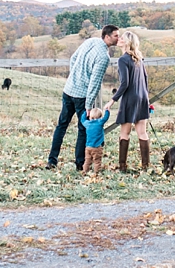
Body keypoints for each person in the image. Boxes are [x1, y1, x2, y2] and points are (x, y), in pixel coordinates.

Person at [46, 24, 120, 170]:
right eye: (116, 36)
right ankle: (80, 163)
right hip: (81, 97)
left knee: (61, 126)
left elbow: (73, 59)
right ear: (107, 36)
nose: (119, 38)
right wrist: (88, 105)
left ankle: (52, 160)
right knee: (82, 129)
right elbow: (94, 82)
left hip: (68, 89)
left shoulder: (90, 41)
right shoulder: (103, 57)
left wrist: (74, 77)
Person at [104, 30, 150, 172]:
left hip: (130, 99)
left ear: (127, 42)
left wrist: (112, 100)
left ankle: (122, 166)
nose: (119, 39)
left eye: (122, 38)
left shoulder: (123, 59)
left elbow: (125, 83)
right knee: (142, 133)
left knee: (125, 133)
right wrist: (146, 100)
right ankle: (145, 166)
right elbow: (145, 80)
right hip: (142, 97)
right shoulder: (139, 59)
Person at [80, 107, 111, 173]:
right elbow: (106, 118)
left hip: (88, 147)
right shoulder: (100, 122)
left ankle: (85, 171)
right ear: (100, 117)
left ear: (90, 117)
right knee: (97, 161)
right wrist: (107, 111)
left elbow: (82, 120)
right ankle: (96, 172)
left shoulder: (87, 123)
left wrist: (86, 112)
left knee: (87, 160)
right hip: (97, 147)